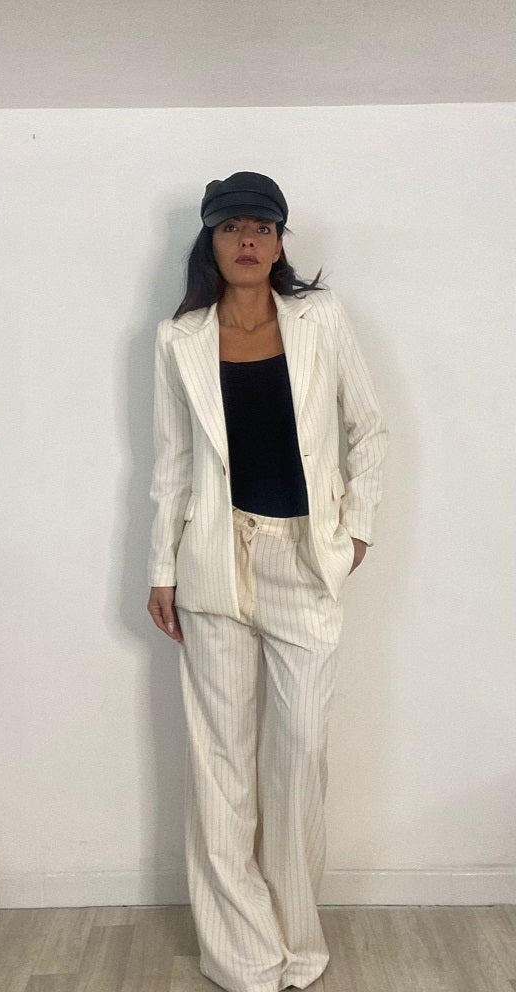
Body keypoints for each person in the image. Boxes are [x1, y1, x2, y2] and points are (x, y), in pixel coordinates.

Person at [146, 171, 389, 992]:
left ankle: (296, 944)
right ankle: (244, 956)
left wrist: (357, 527)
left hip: (303, 560)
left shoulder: (321, 318)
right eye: (231, 227)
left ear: (281, 242)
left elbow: (368, 428)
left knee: (300, 755)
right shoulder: (179, 338)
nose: (247, 240)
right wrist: (161, 568)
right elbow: (173, 463)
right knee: (220, 764)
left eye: (261, 226)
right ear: (210, 241)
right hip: (213, 560)